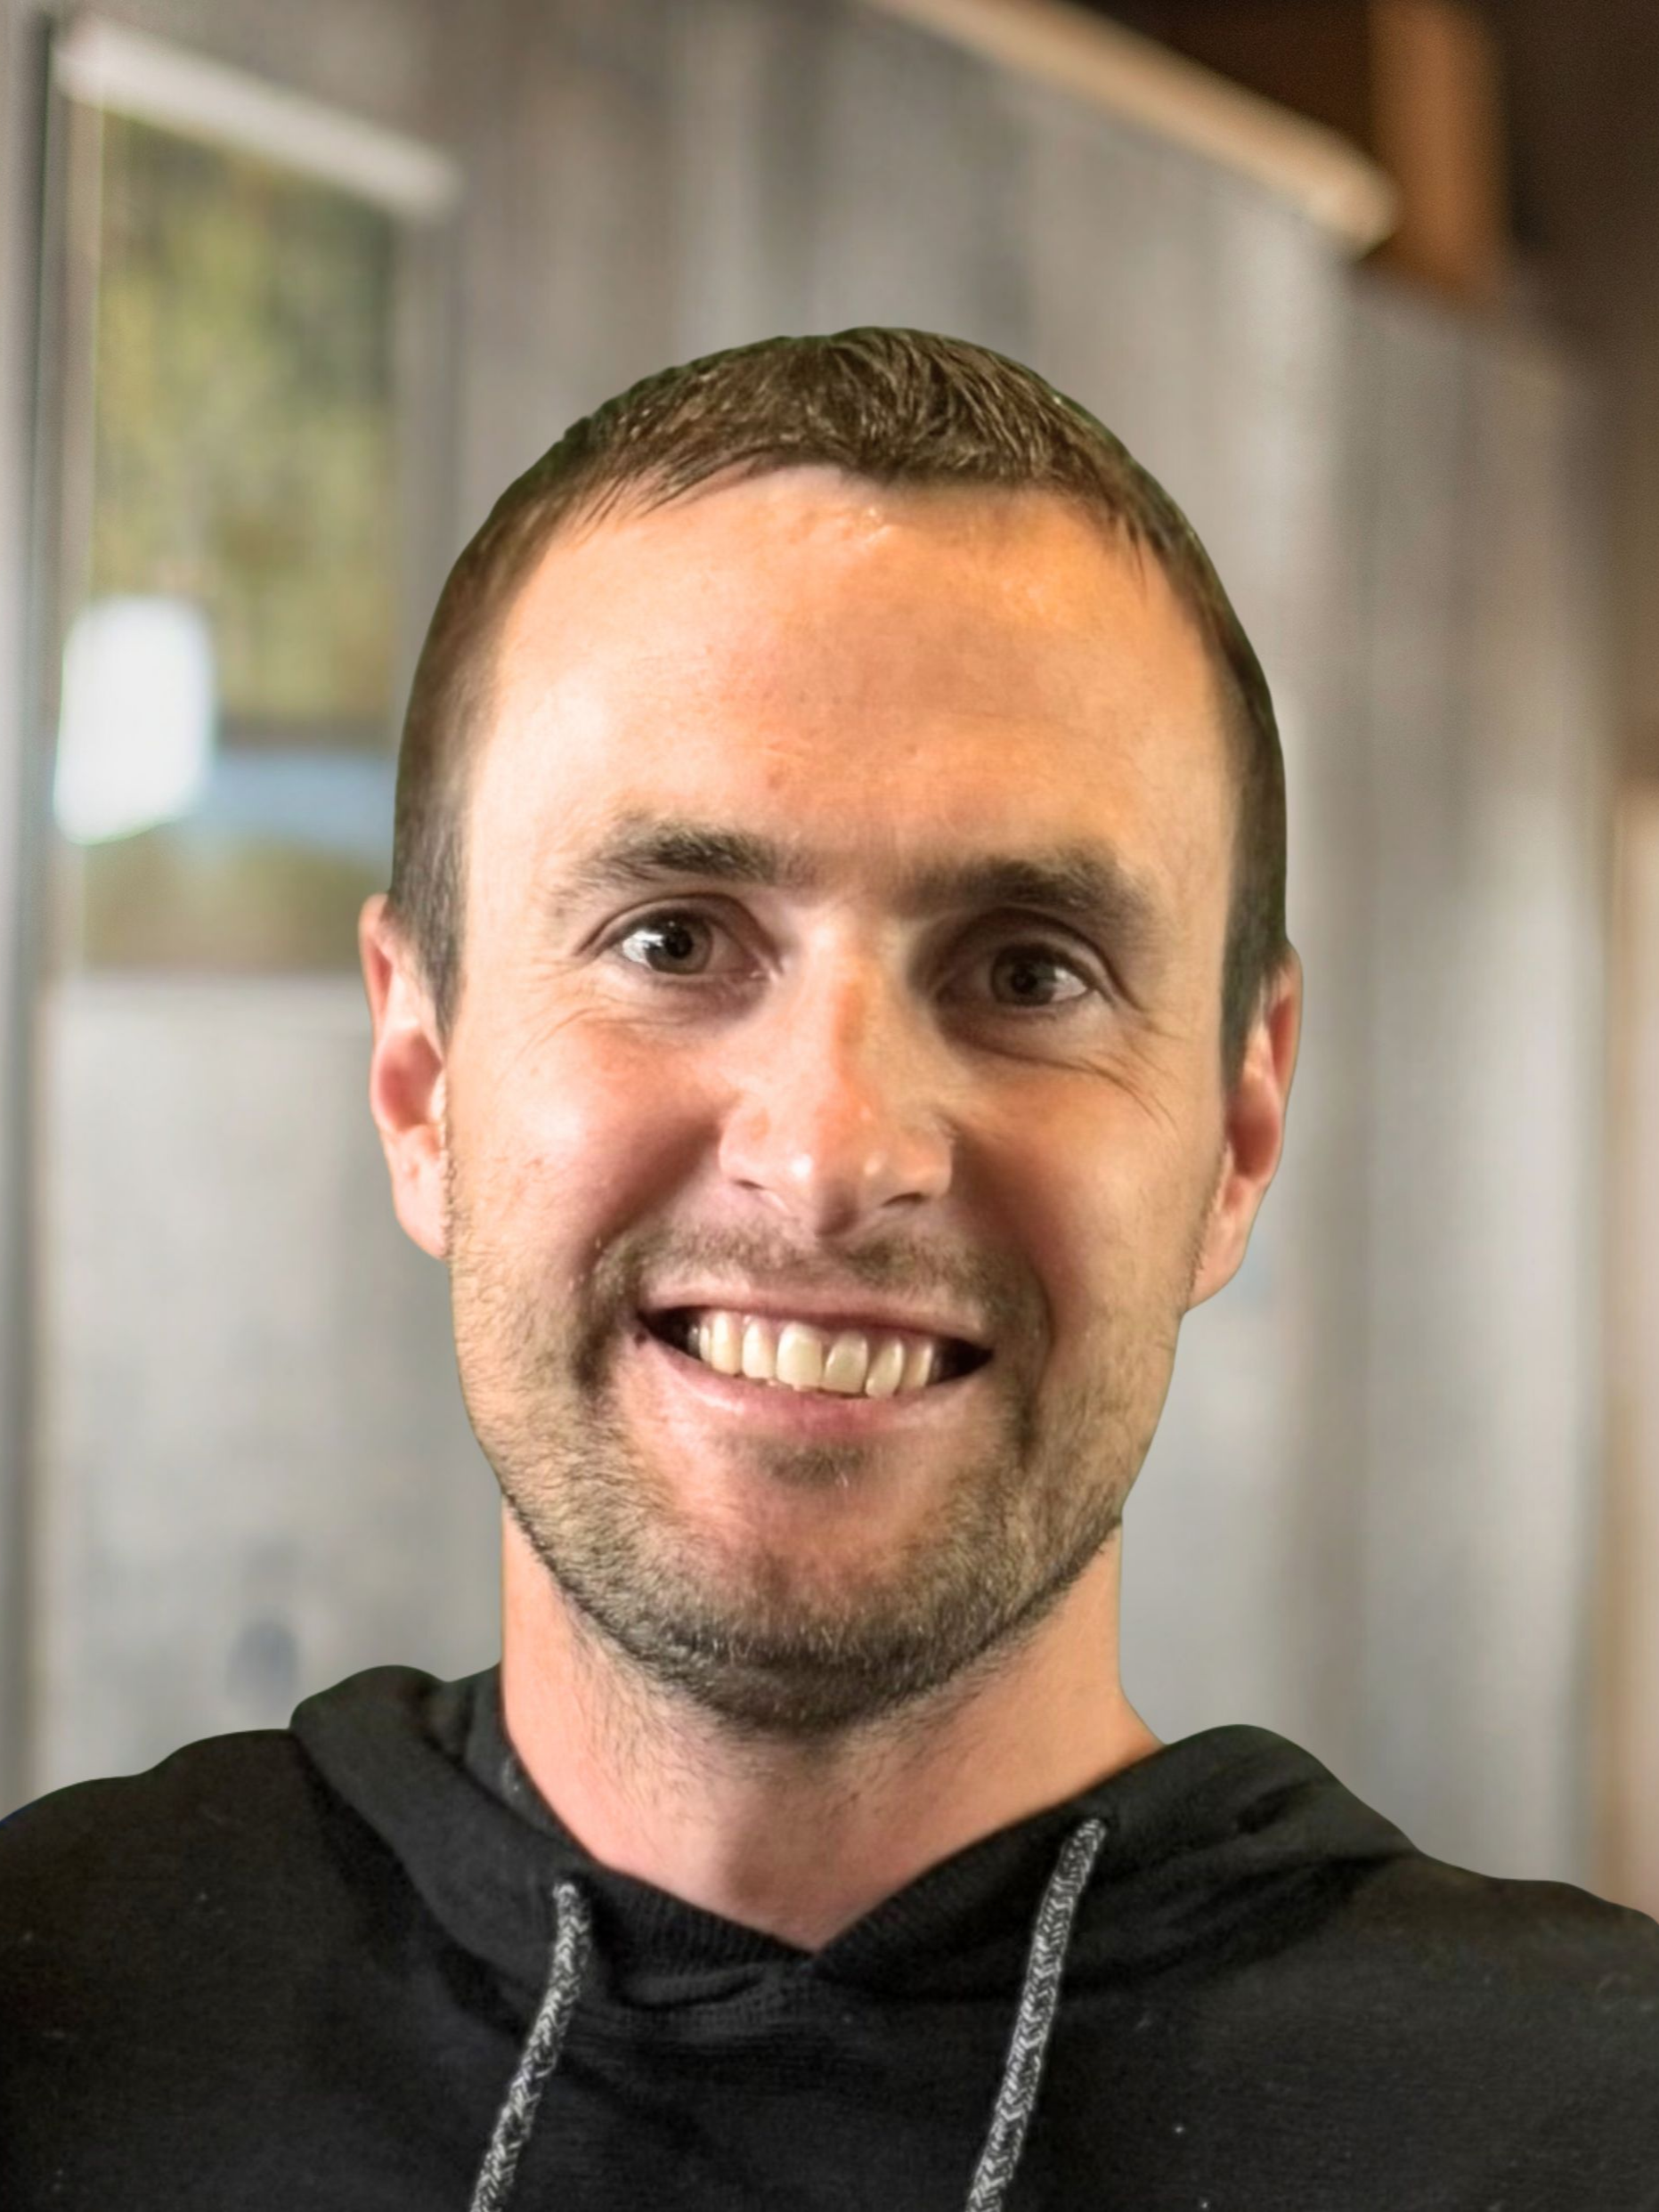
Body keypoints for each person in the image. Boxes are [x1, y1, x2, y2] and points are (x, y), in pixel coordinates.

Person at [3, 327, 1655, 2210]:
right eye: (672, 939)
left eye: (1029, 969)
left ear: (1238, 1133)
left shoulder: (1584, 2134)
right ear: (420, 1078)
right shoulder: (52, 2038)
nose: (831, 1151)